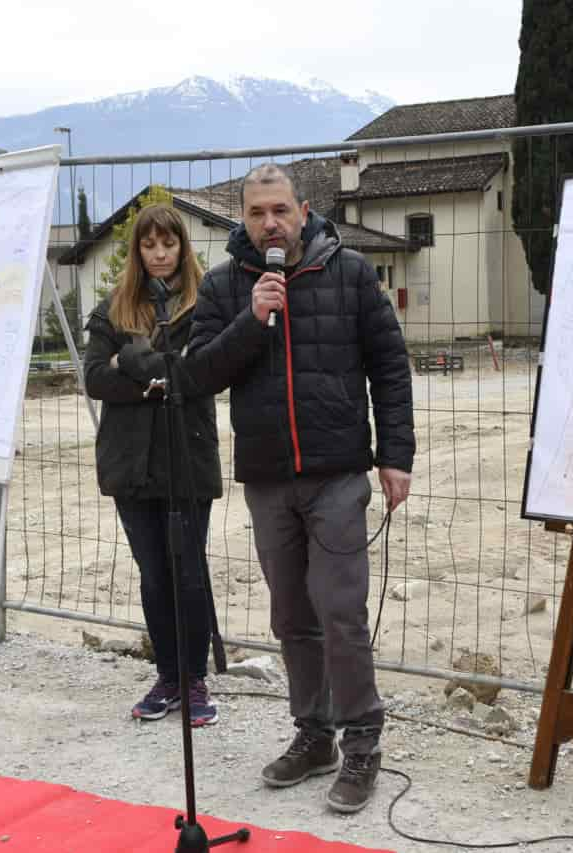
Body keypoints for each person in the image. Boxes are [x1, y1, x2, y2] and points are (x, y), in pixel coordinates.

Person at [126, 164, 415, 813]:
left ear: (303, 210)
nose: (270, 223)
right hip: (267, 478)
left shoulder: (350, 272)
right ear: (244, 219)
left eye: (280, 209)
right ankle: (314, 734)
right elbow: (197, 374)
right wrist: (252, 320)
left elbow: (390, 364)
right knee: (291, 615)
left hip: (338, 470)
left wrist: (396, 454)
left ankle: (363, 739)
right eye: (257, 213)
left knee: (340, 610)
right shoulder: (229, 286)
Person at [82, 203, 226, 727]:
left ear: (182, 248)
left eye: (169, 244)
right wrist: (155, 376)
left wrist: (133, 361)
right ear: (138, 253)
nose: (160, 254)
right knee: (153, 577)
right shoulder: (112, 309)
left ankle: (194, 679)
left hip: (186, 458)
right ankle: (167, 675)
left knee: (188, 572)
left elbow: (200, 371)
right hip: (130, 464)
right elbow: (96, 377)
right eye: (149, 245)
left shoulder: (203, 304)